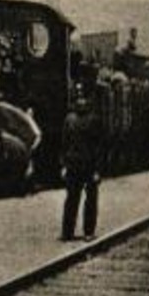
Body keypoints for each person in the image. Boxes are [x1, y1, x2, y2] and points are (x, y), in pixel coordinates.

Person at [59, 91, 102, 241]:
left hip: (88, 165)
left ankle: (87, 231)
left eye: (83, 98)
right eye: (79, 99)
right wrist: (63, 164)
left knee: (87, 199)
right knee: (73, 199)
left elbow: (98, 146)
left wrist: (97, 169)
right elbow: (64, 144)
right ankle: (68, 232)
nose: (81, 102)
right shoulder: (70, 119)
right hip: (75, 164)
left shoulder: (92, 120)